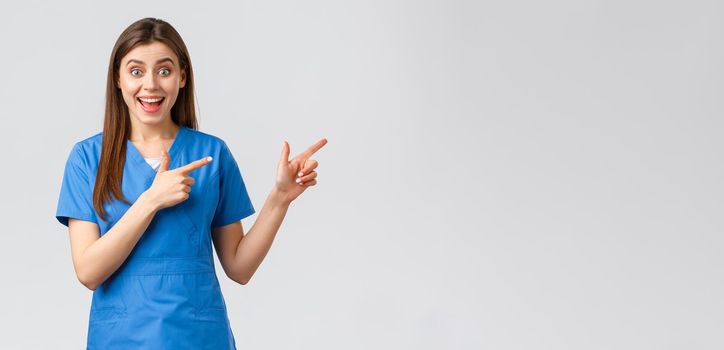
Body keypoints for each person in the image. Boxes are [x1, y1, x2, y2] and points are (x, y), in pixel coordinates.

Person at [54, 17, 327, 349]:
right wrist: (151, 200)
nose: (151, 85)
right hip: (121, 339)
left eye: (164, 71)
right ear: (118, 79)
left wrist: (280, 198)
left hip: (199, 337)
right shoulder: (87, 158)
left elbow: (240, 267)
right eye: (136, 71)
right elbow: (88, 271)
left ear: (182, 77)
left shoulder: (211, 154)